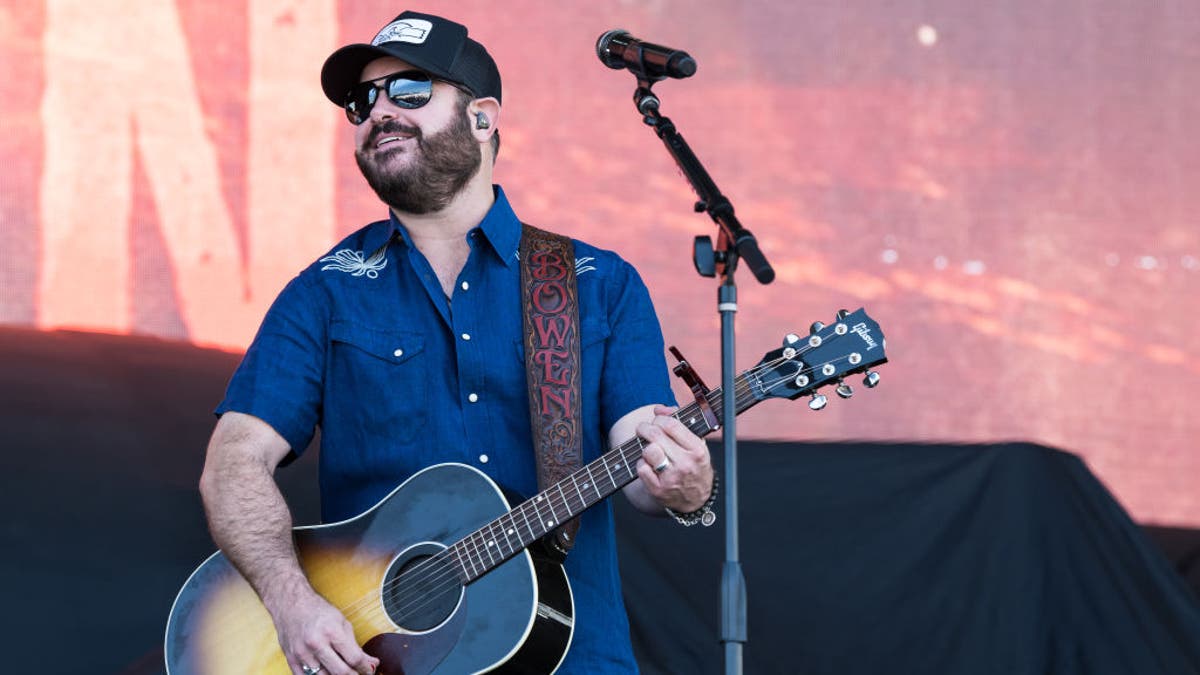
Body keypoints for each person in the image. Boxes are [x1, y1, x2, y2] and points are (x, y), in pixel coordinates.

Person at [198, 10, 715, 675]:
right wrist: (293, 606)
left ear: (483, 117)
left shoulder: (597, 283)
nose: (378, 111)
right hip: (380, 659)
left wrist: (688, 486)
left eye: (409, 90)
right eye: (364, 100)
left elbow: (648, 466)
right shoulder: (325, 290)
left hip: (570, 654)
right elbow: (231, 466)